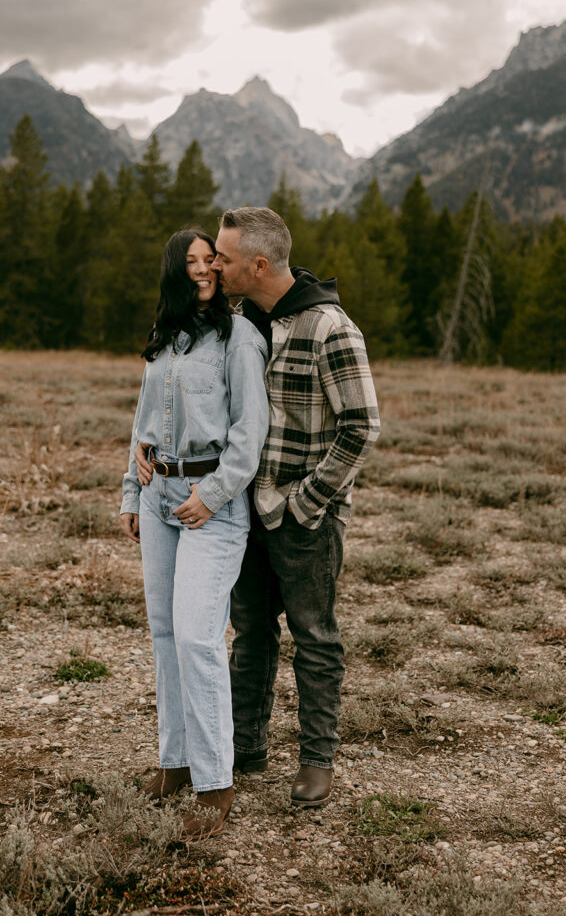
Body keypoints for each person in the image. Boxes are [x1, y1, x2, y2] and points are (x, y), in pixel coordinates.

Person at [212, 206, 380, 807]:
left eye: (225, 259)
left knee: (314, 636)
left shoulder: (330, 328)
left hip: (306, 517)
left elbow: (362, 425)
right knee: (251, 631)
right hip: (247, 510)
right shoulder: (241, 323)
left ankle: (317, 760)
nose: (215, 266)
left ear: (258, 264)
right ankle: (245, 747)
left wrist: (308, 501)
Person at [120, 228, 268, 840]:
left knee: (199, 638)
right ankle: (176, 761)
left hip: (212, 505)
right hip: (159, 499)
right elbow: (142, 419)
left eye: (212, 260)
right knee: (163, 633)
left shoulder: (239, 338)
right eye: (193, 262)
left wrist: (212, 495)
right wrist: (133, 487)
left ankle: (215, 781)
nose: (205, 269)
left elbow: (249, 431)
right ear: (175, 272)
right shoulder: (164, 339)